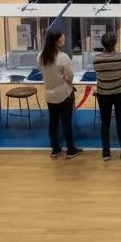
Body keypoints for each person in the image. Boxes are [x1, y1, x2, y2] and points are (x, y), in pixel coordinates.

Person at [39, 28, 81, 159]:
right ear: (56, 42)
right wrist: (69, 85)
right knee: (66, 122)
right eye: (62, 38)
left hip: (49, 94)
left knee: (53, 122)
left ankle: (55, 149)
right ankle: (71, 149)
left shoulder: (41, 56)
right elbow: (70, 76)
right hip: (64, 94)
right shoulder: (63, 57)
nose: (64, 39)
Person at [94, 29, 121, 161]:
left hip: (103, 94)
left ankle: (106, 152)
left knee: (105, 122)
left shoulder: (96, 59)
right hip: (120, 93)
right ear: (115, 43)